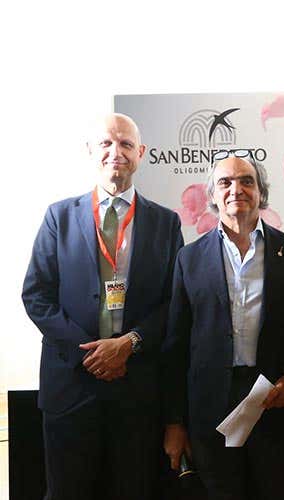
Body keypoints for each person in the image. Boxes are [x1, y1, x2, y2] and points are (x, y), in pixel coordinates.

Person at [21, 113, 184, 500]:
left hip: (138, 390)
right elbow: (37, 295)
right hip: (71, 389)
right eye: (107, 143)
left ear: (141, 153)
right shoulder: (59, 217)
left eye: (126, 144)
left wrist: (129, 343)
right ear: (90, 151)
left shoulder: (166, 223)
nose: (116, 152)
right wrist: (91, 354)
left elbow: (174, 302)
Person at [161, 151, 284, 500]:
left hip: (274, 403)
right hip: (210, 411)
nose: (236, 189)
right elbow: (176, 345)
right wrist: (174, 421)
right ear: (213, 195)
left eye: (247, 181)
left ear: (261, 192)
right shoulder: (189, 259)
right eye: (225, 182)